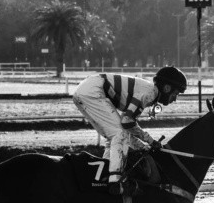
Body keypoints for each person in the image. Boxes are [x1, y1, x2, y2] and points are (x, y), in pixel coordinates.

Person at [73, 66, 188, 195]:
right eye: (175, 94)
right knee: (119, 134)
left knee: (115, 135)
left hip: (86, 90)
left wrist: (143, 145)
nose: (175, 99)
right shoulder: (150, 93)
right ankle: (116, 181)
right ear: (167, 88)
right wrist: (149, 142)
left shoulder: (148, 91)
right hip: (93, 91)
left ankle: (105, 174)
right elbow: (127, 122)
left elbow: (127, 125)